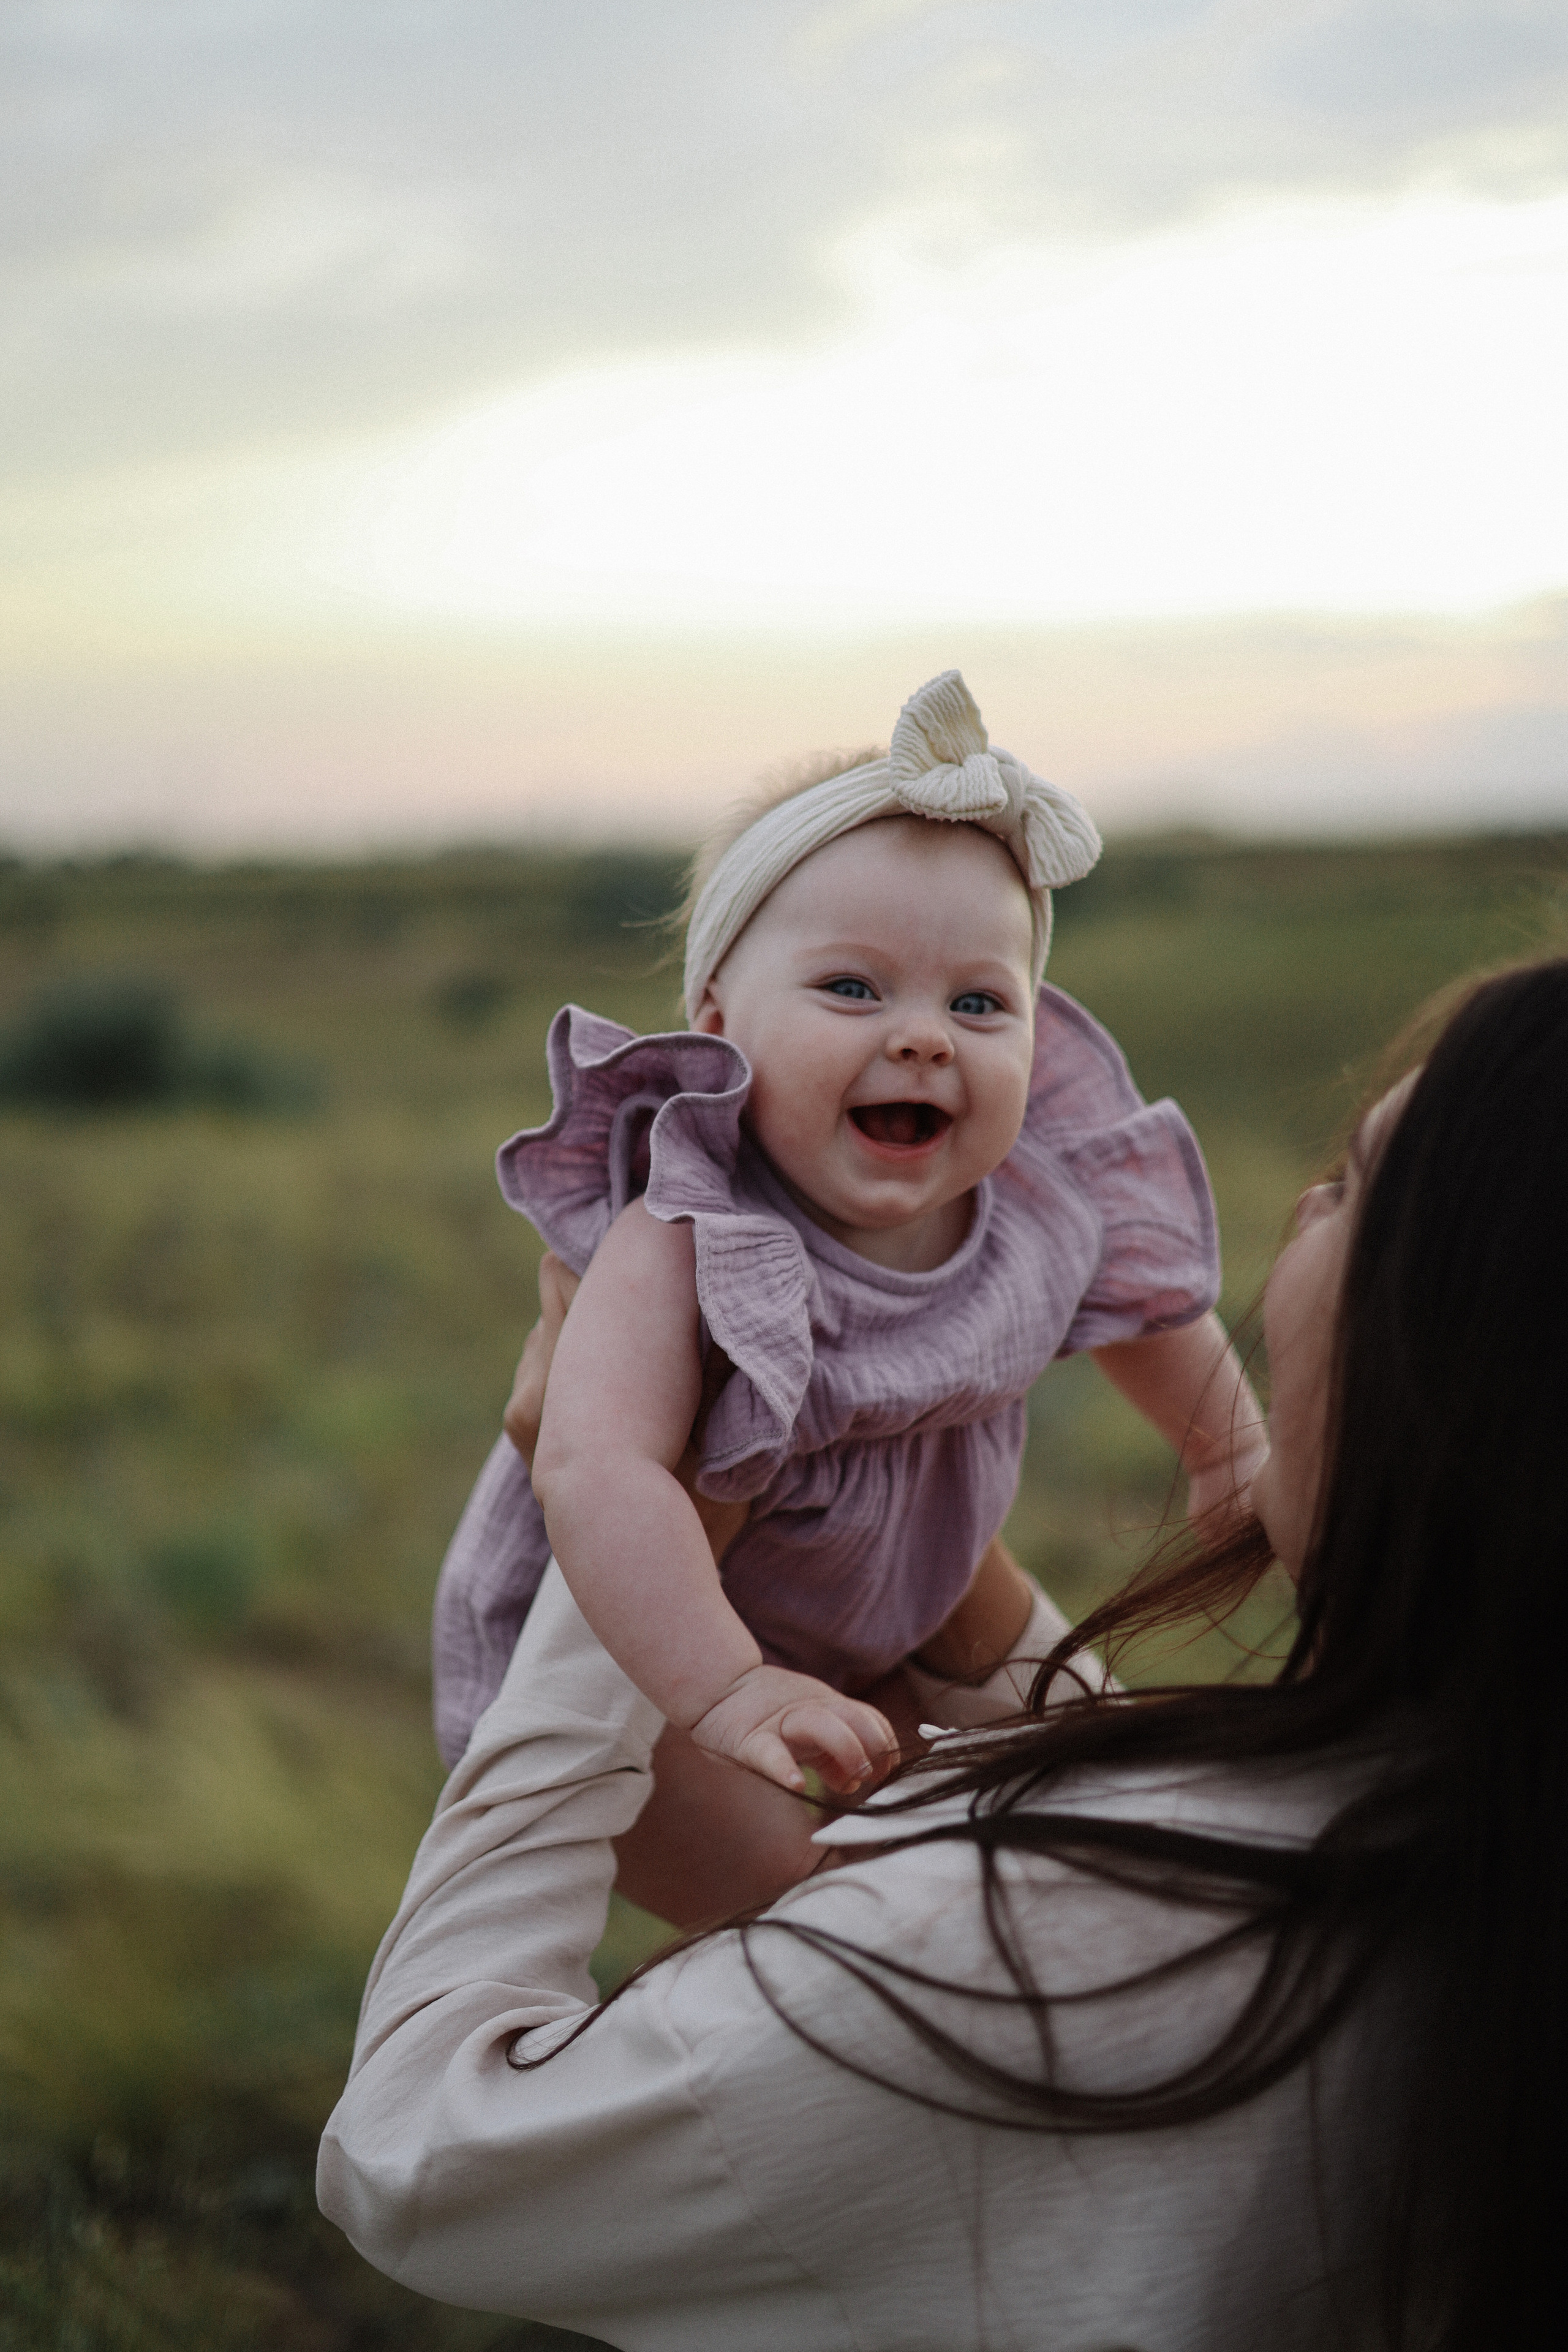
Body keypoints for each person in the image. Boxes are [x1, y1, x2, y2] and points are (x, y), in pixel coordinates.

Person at [320, 955, 1568, 2349]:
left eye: (1348, 1185)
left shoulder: (1025, 1963)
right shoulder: (1476, 1837)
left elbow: (425, 2164)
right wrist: (938, 1570)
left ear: (1483, 1365)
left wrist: (618, 1545)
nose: (1292, 1212)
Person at [432, 671, 1265, 1898]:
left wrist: (1224, 1445)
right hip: (652, 1655)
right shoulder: (688, 1227)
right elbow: (590, 1462)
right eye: (852, 989)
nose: (923, 1034)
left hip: (905, 1607)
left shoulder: (1034, 1199)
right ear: (717, 1016)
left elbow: (1148, 1310)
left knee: (1090, 1816)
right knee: (810, 1916)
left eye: (977, 1001)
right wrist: (724, 1682)